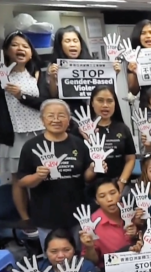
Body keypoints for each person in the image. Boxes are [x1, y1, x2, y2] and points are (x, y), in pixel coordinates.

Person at [0, 31, 46, 226]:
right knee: (19, 180)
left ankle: (45, 214)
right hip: (14, 135)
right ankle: (26, 220)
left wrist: (22, 95)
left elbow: (46, 103)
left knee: (44, 176)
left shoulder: (37, 72)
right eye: (15, 45)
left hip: (40, 132)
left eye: (25, 46)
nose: (20, 49)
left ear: (31, 52)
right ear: (6, 50)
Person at [17, 99, 105, 251]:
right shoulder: (31, 146)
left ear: (69, 120)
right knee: (55, 257)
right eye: (51, 115)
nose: (56, 120)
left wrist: (93, 168)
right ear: (42, 120)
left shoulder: (79, 144)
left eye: (61, 115)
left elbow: (86, 179)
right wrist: (38, 176)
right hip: (46, 215)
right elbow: (22, 181)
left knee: (79, 253)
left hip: (77, 214)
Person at [46, 26, 121, 113]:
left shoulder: (93, 64)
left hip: (92, 111)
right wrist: (52, 77)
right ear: (60, 45)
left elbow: (104, 88)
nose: (72, 44)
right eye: (67, 41)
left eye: (75, 41)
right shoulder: (54, 66)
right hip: (67, 112)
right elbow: (53, 95)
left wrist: (114, 73)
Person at [81, 178, 138, 268]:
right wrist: (89, 247)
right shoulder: (91, 225)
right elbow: (91, 262)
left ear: (119, 193)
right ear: (96, 201)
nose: (109, 199)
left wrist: (138, 231)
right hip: (114, 270)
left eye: (112, 193)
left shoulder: (133, 210)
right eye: (102, 196)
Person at [87, 86, 136, 190]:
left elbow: (130, 159)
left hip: (118, 184)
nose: (105, 105)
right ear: (92, 103)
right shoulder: (84, 130)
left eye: (110, 101)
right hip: (92, 187)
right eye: (100, 100)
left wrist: (121, 182)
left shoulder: (123, 128)